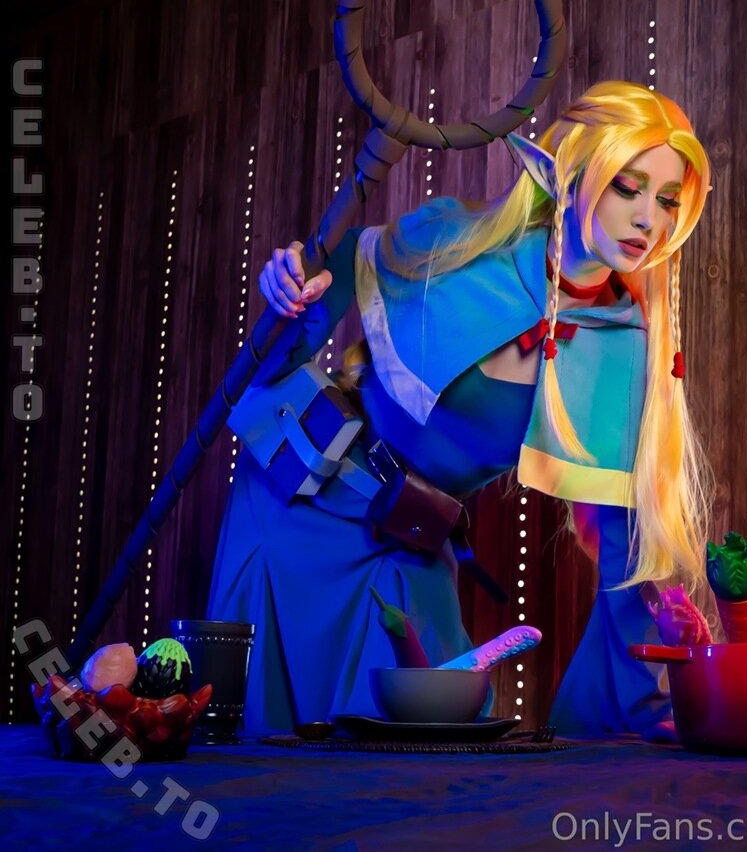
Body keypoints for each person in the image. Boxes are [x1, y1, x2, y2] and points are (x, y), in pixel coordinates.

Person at [207, 80, 713, 737]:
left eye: (668, 200)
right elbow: (302, 321)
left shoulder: (624, 348)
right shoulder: (461, 241)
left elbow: (625, 542)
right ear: (572, 174)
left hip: (403, 542)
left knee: (415, 758)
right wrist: (292, 293)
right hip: (295, 504)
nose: (649, 219)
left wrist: (649, 702)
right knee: (260, 748)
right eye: (628, 187)